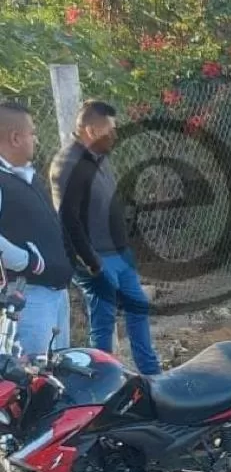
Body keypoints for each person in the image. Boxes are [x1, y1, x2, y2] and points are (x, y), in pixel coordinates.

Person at [50, 100, 162, 374]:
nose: (115, 134)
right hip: (96, 258)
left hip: (119, 254)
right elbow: (68, 220)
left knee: (138, 308)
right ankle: (102, 380)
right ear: (91, 130)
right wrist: (91, 262)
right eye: (110, 129)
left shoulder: (98, 157)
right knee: (103, 322)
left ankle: (152, 375)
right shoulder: (68, 164)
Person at [0, 101, 74, 357]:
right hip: (28, 297)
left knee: (56, 371)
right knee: (32, 374)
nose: (36, 140)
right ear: (15, 138)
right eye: (32, 133)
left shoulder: (24, 177)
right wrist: (27, 261)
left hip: (54, 294)